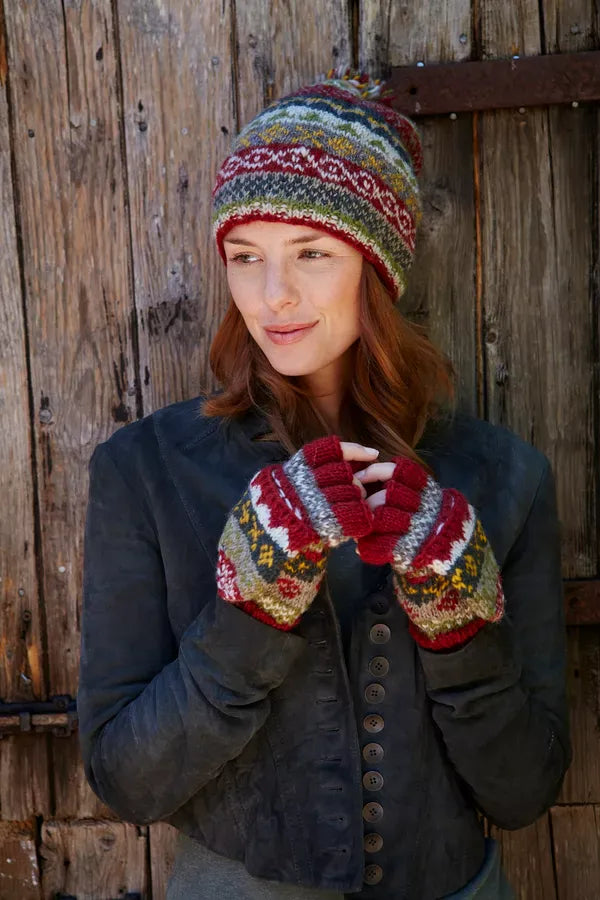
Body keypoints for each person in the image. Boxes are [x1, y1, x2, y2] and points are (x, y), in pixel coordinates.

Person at [77, 67, 571, 899]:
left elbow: (522, 793)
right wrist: (249, 612)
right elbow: (127, 781)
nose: (273, 296)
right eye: (245, 256)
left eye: (312, 252)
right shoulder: (145, 472)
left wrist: (460, 630)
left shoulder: (502, 475)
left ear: (377, 267)